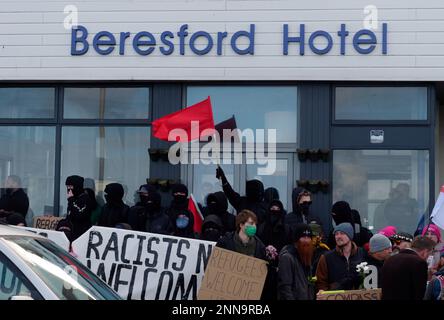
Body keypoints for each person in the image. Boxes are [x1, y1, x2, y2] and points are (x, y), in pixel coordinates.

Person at [381, 236, 435, 300]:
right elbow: (419, 292)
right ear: (425, 252)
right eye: (429, 254)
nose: (428, 257)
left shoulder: (390, 259)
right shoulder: (419, 263)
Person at [316, 222, 365, 292]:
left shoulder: (362, 253)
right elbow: (321, 283)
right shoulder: (326, 258)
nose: (338, 236)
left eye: (342, 233)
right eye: (336, 234)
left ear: (350, 236)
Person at [277, 223, 316, 300]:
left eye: (308, 237)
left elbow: (310, 282)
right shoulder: (287, 258)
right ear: (296, 240)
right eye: (303, 237)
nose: (306, 240)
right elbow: (285, 287)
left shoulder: (307, 255)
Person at [63, 175, 93, 241]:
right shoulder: (74, 199)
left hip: (81, 236)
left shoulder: (85, 199)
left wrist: (71, 200)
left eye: (71, 186)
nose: (69, 189)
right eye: (67, 186)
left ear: (77, 186)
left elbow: (80, 214)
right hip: (71, 234)